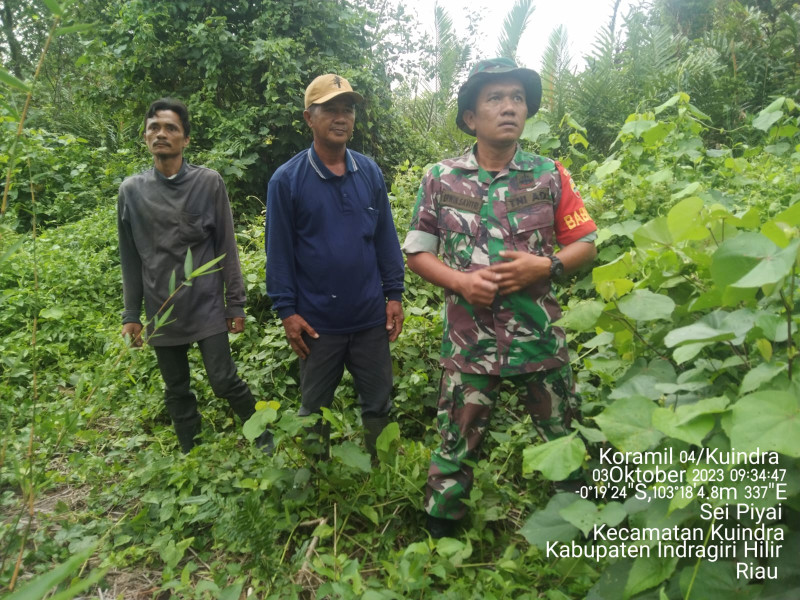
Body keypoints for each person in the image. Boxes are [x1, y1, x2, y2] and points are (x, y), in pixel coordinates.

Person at [403, 58, 598, 538]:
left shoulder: (550, 175)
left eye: (517, 98)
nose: (509, 107)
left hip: (537, 334)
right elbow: (417, 251)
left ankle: (584, 523)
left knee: (566, 435)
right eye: (495, 98)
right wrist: (460, 282)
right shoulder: (440, 178)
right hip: (470, 341)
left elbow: (586, 245)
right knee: (456, 440)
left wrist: (546, 265)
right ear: (471, 117)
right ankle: (441, 535)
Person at [117, 97, 272, 454]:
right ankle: (192, 449)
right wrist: (131, 314)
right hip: (161, 307)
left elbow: (226, 247)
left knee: (224, 380)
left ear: (185, 139)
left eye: (171, 128)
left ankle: (264, 438)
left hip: (205, 305)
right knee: (176, 388)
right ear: (144, 136)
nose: (161, 134)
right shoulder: (131, 192)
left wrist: (235, 303)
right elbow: (130, 258)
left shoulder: (208, 183)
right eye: (154, 127)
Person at [266, 74, 405, 458]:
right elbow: (278, 251)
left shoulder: (369, 172)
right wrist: (286, 311)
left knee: (379, 403)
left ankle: (385, 474)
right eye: (330, 109)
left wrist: (393, 293)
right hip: (316, 324)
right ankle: (315, 481)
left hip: (368, 318)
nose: (341, 117)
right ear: (309, 117)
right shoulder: (287, 181)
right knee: (314, 411)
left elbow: (385, 238)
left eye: (348, 109)